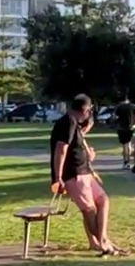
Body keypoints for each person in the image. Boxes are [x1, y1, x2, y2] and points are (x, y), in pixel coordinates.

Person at [50, 94, 124, 256]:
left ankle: (103, 239)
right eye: (90, 110)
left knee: (103, 200)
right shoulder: (68, 122)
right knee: (89, 210)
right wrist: (58, 177)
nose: (90, 114)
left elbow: (76, 146)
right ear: (85, 110)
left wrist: (89, 160)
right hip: (74, 174)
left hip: (84, 172)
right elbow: (61, 148)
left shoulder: (74, 123)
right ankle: (103, 244)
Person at [114, 97, 135, 171]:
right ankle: (129, 160)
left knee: (124, 145)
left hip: (121, 128)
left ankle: (125, 161)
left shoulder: (119, 107)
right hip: (130, 127)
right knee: (129, 143)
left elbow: (115, 117)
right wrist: (134, 123)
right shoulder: (133, 107)